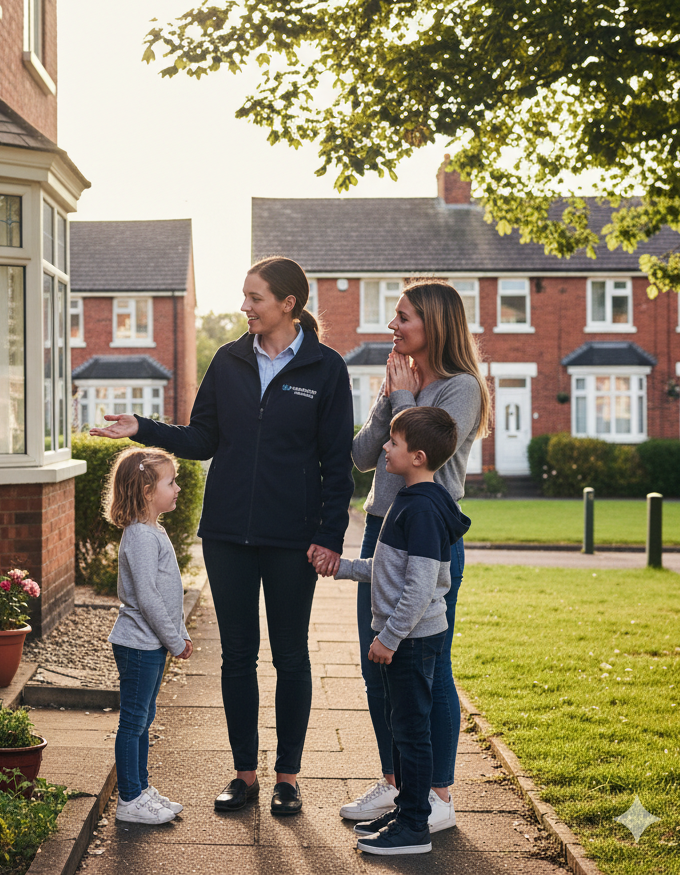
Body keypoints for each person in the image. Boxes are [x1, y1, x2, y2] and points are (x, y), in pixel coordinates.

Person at [92, 256, 354, 816]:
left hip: (293, 538)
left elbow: (337, 462)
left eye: (255, 297)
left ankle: (287, 777)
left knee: (290, 655)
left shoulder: (326, 369)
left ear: (288, 303)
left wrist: (330, 535)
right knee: (237, 656)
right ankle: (245, 775)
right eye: (244, 296)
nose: (245, 307)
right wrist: (144, 429)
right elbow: (202, 437)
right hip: (228, 533)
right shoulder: (229, 360)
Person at [340, 279, 490, 833]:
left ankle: (439, 794)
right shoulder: (399, 379)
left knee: (429, 667)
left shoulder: (462, 388)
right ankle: (399, 782)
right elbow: (361, 456)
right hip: (380, 529)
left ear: (433, 325)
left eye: (402, 317)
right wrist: (387, 399)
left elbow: (436, 470)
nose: (392, 326)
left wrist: (404, 399)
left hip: (428, 536)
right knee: (375, 660)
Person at [335, 406, 471, 856]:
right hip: (407, 638)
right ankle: (408, 810)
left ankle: (414, 828)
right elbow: (391, 569)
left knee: (412, 732)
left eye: (393, 443)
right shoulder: (410, 500)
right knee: (403, 726)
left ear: (418, 456)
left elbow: (419, 585)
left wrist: (389, 638)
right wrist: (344, 567)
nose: (385, 449)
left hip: (411, 640)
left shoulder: (424, 509)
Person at [105, 446, 194, 825]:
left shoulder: (153, 530)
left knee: (144, 718)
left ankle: (140, 788)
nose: (177, 489)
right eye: (170, 482)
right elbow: (147, 596)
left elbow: (170, 594)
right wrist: (175, 640)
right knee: (133, 722)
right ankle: (129, 798)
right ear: (146, 490)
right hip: (139, 645)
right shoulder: (140, 536)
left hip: (151, 643)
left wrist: (181, 632)